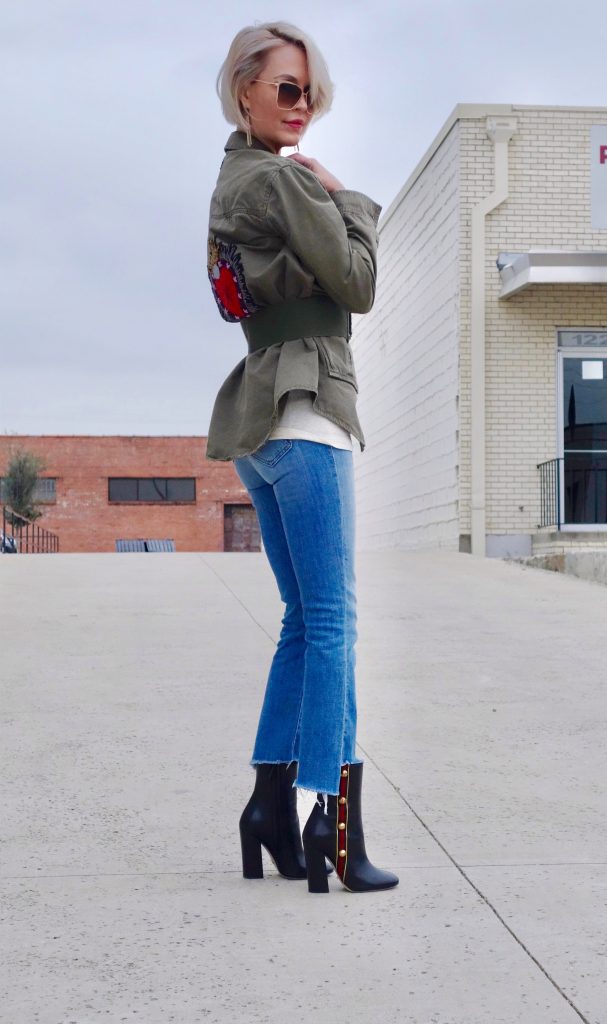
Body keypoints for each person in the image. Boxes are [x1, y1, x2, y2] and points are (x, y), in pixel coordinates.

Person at [206, 21, 398, 895]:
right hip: (307, 413)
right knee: (333, 626)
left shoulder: (235, 181)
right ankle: (334, 825)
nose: (301, 107)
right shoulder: (280, 183)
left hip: (260, 420)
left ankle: (267, 807)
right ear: (244, 87)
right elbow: (356, 283)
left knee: (301, 623)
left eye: (310, 92)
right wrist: (344, 195)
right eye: (287, 89)